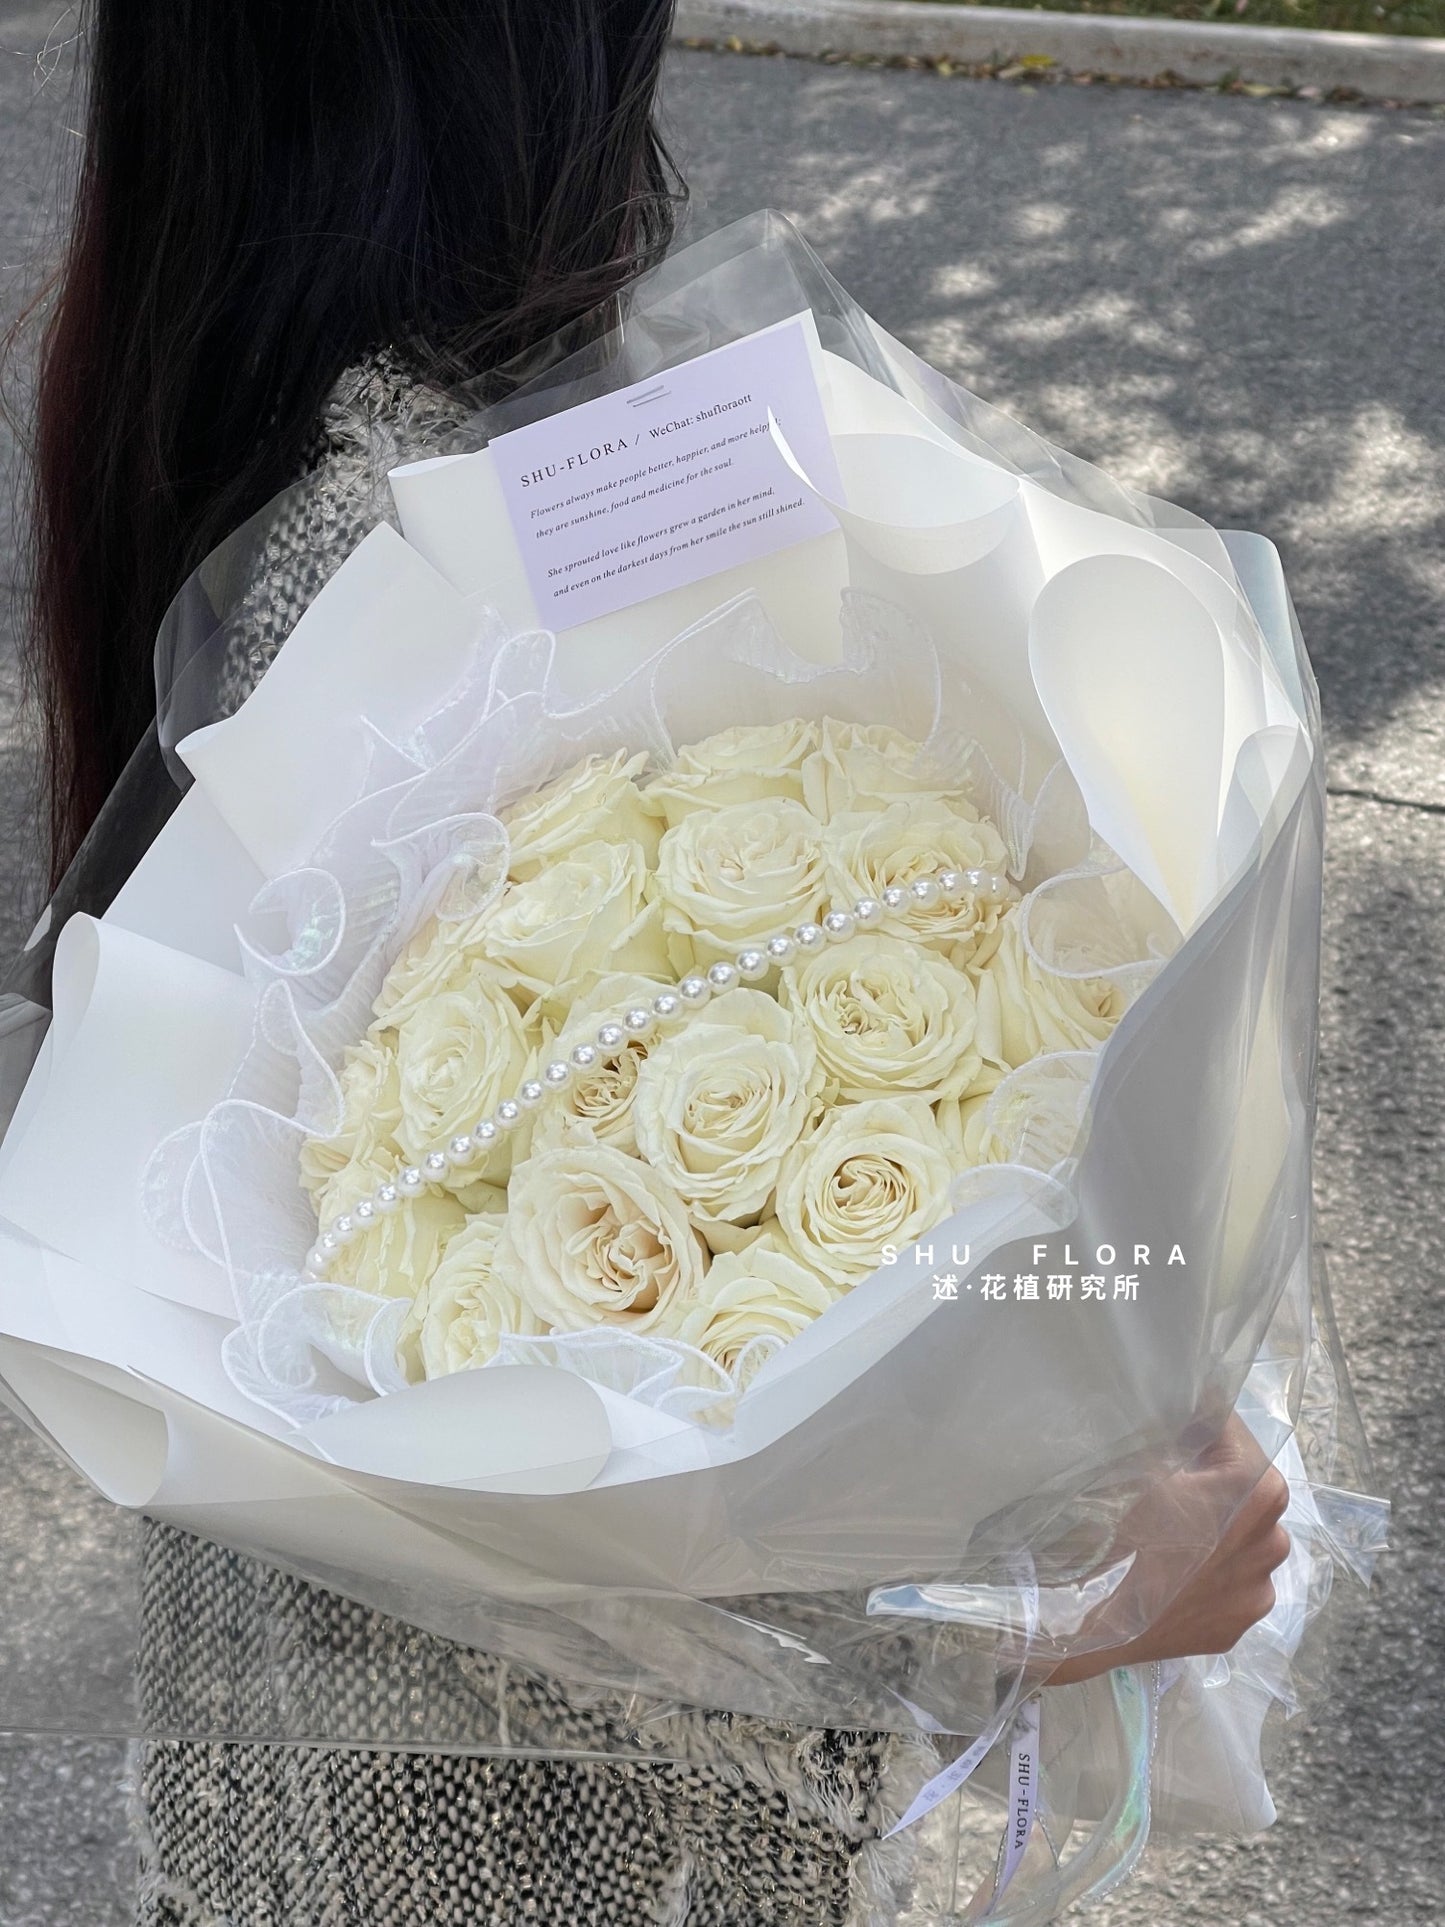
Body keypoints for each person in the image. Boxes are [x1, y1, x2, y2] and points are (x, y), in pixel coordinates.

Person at [11, 4, 1291, 1919]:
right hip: (520, 1857)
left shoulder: (233, 464)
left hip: (288, 1820)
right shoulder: (411, 557)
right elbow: (500, 1569)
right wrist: (1030, 1609)